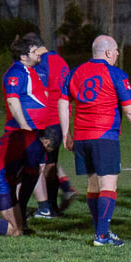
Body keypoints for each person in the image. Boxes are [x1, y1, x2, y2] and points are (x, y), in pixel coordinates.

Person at [61, 35, 131, 246]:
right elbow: (129, 109)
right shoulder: (116, 74)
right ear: (108, 52)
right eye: (116, 50)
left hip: (82, 137)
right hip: (104, 136)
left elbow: (63, 103)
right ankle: (102, 236)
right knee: (108, 185)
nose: (118, 54)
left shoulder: (75, 72)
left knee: (93, 186)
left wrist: (67, 133)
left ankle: (102, 231)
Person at [0, 37, 47, 237]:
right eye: (34, 51)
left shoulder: (30, 72)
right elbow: (13, 101)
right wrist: (25, 127)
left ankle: (20, 215)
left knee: (34, 171)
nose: (39, 53)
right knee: (14, 231)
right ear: (23, 56)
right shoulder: (15, 73)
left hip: (30, 137)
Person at [23, 33, 77, 218]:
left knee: (38, 165)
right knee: (50, 164)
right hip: (60, 118)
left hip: (46, 120)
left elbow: (41, 93)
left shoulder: (41, 63)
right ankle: (54, 205)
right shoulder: (60, 60)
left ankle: (45, 207)